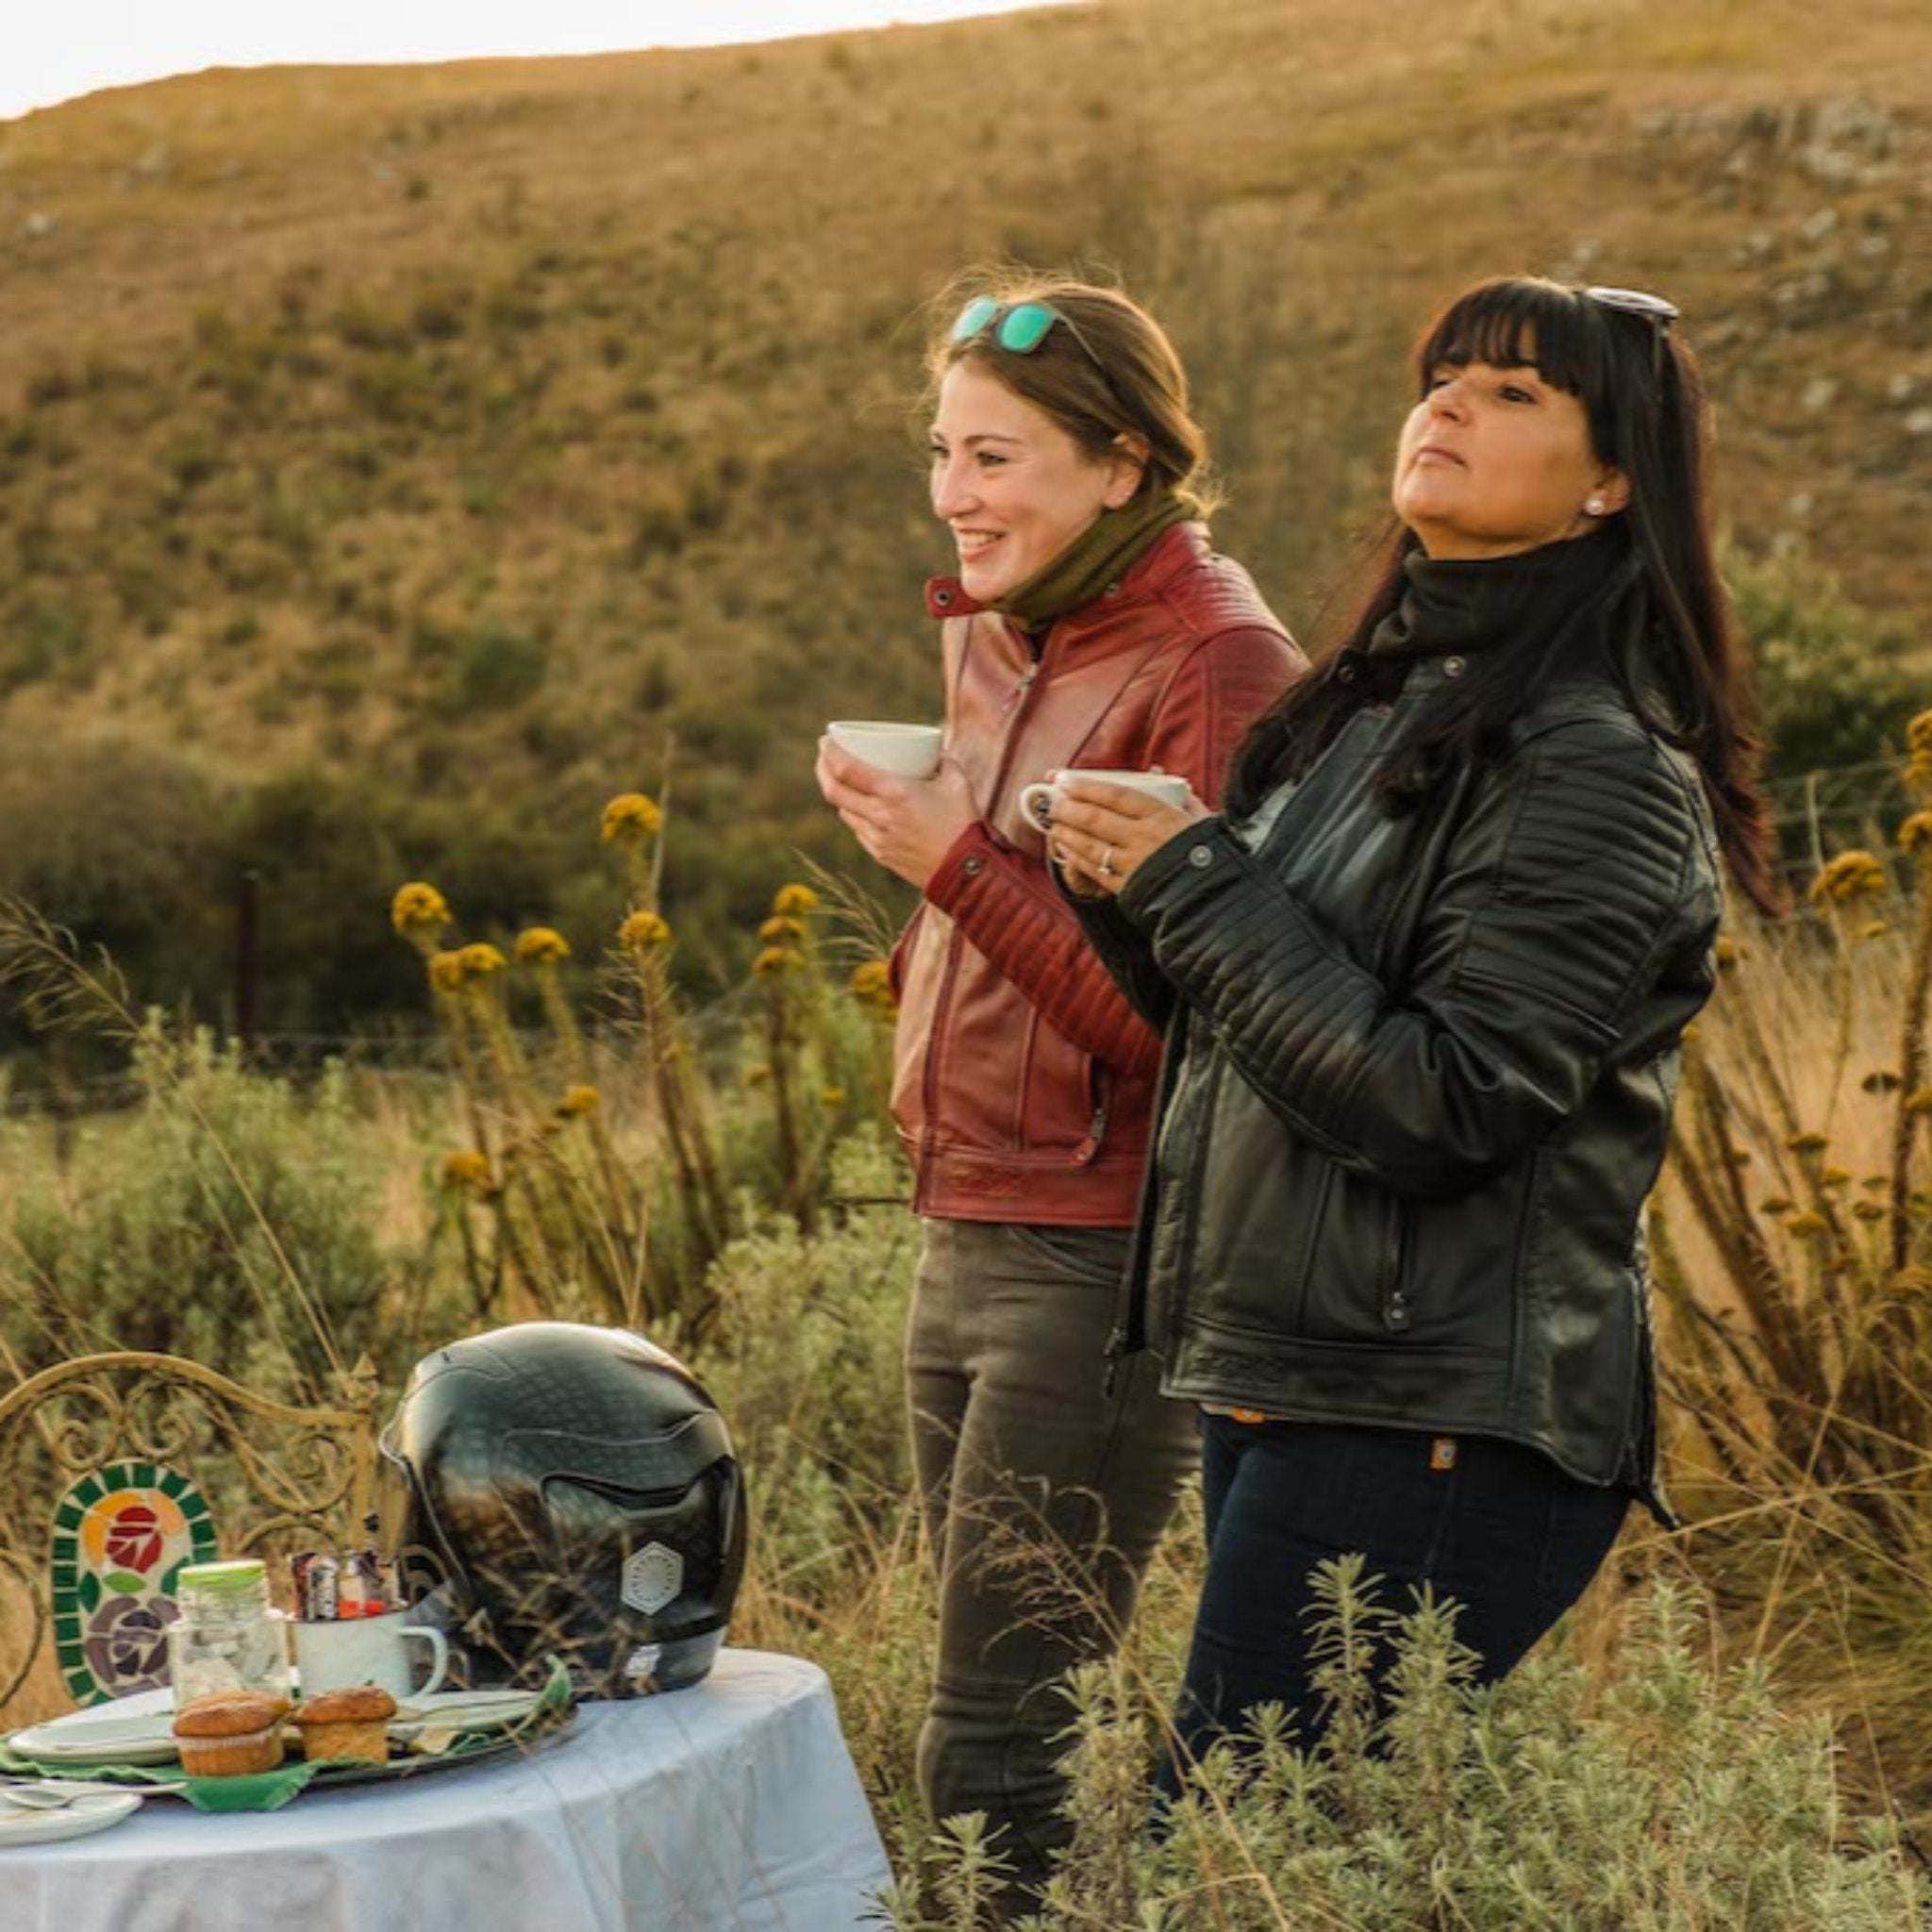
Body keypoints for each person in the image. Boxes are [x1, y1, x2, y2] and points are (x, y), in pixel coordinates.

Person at [1042, 275, 1780, 1781]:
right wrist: (1134, 888)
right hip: (1305, 1384)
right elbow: (1247, 1036)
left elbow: (1442, 1105)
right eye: (1445, 376)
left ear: (1610, 483)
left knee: (1235, 1863)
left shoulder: (1594, 765)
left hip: (1435, 1428)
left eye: (1515, 393)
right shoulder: (1378, 708)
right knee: (1263, 1858)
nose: (1448, 405)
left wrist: (1195, 881)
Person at [815, 274, 1301, 1903]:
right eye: (945, 453)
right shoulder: (1007, 637)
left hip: (1098, 1257)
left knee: (995, 1739)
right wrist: (926, 942)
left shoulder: (1218, 664)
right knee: (996, 1709)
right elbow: (1031, 939)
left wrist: (947, 863)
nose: (956, 495)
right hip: (963, 1223)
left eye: (998, 457)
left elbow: (1204, 1034)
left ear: (1122, 462)